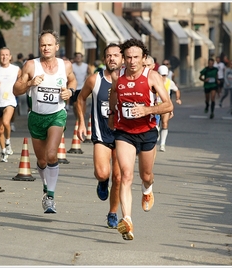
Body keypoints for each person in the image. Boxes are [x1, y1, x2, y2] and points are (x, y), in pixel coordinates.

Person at [108, 39, 173, 240]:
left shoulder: (152, 77)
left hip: (146, 132)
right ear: (123, 59)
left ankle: (148, 189)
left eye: (136, 57)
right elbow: (113, 95)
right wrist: (112, 114)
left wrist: (147, 110)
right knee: (126, 175)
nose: (132, 61)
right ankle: (127, 219)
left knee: (146, 175)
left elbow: (168, 105)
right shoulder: (118, 77)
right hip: (124, 132)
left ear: (143, 58)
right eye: (128, 57)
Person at [13, 29, 77, 214]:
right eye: (43, 45)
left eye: (49, 44)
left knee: (51, 155)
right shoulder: (31, 66)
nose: (46, 48)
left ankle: (50, 197)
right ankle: (45, 186)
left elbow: (73, 81)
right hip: (36, 117)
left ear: (57, 46)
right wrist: (30, 84)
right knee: (41, 161)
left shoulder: (65, 65)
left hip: (57, 114)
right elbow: (16, 90)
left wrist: (70, 92)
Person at [76, 43, 123, 228]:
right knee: (103, 173)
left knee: (118, 178)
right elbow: (80, 98)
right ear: (105, 59)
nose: (112, 58)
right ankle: (102, 182)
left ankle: (112, 212)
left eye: (116, 55)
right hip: (101, 133)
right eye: (109, 55)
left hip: (122, 135)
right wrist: (81, 122)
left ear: (122, 58)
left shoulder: (128, 80)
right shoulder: (95, 80)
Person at [0, 47, 20, 162]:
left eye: (6, 55)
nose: (4, 57)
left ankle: (8, 142)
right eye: (2, 55)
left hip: (10, 101)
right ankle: (3, 151)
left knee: (6, 122)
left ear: (10, 57)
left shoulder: (16, 69)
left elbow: (22, 82)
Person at [157, 65, 181, 152]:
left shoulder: (169, 82)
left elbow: (176, 90)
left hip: (165, 105)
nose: (163, 77)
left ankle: (162, 144)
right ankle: (156, 134)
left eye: (164, 75)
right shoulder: (154, 82)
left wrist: (177, 99)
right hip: (155, 106)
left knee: (165, 123)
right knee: (155, 125)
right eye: (161, 75)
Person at [71, 52, 91, 117]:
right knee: (75, 104)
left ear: (82, 58)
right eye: (77, 57)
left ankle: (82, 115)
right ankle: (77, 116)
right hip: (74, 87)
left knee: (83, 102)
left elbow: (90, 73)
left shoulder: (86, 66)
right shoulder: (72, 66)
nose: (78, 58)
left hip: (83, 87)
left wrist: (87, 76)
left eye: (80, 57)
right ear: (75, 58)